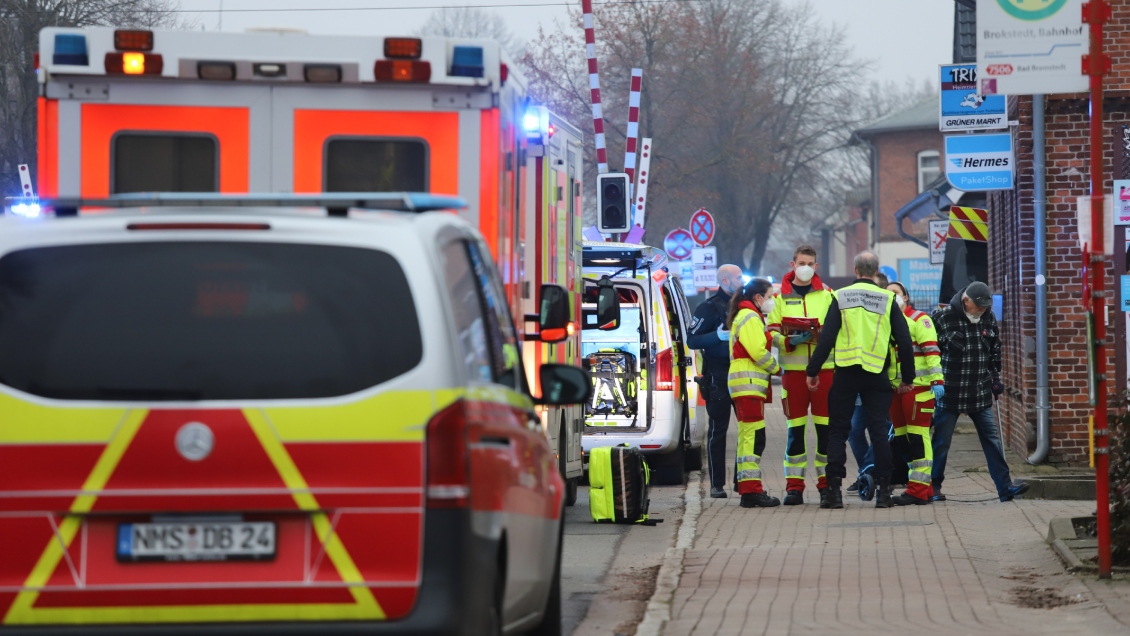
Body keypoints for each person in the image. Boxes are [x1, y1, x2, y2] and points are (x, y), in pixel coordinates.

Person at [805, 252, 915, 509]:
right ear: (876, 271)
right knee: (879, 431)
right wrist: (907, 377)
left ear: (855, 270)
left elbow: (827, 338)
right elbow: (904, 341)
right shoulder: (888, 299)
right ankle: (884, 493)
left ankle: (833, 493)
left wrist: (813, 370)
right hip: (877, 373)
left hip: (845, 373)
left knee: (838, 431)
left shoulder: (840, 297)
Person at [930, 282, 1030, 503]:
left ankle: (1005, 487)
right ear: (966, 301)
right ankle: (933, 486)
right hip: (950, 393)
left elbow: (994, 348)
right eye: (979, 306)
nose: (983, 310)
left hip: (979, 390)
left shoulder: (987, 317)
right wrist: (933, 381)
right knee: (941, 442)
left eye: (986, 306)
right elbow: (930, 353)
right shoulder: (942, 318)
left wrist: (995, 378)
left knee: (992, 439)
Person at [765, 245, 835, 506]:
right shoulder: (779, 297)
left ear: (816, 267)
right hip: (793, 373)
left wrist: (824, 335)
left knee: (825, 432)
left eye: (810, 263)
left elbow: (839, 328)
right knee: (795, 431)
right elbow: (770, 332)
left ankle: (827, 485)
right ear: (792, 265)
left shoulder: (828, 294)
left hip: (826, 371)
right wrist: (788, 341)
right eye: (801, 262)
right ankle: (794, 487)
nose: (805, 266)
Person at [688, 264, 745, 498]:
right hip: (718, 378)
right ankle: (717, 484)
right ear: (724, 281)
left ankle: (742, 480)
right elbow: (692, 339)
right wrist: (716, 336)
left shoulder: (746, 305)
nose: (742, 281)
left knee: (749, 430)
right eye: (738, 277)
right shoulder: (709, 308)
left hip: (743, 376)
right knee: (718, 432)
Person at [886, 282, 944, 505]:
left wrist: (937, 381)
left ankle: (917, 490)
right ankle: (924, 487)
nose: (892, 297)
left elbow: (932, 351)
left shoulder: (921, 320)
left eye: (896, 293)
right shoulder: (887, 323)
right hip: (896, 389)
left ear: (906, 297)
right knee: (903, 440)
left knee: (918, 438)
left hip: (920, 388)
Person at [726, 278, 782, 508]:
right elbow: (758, 351)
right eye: (769, 297)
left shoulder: (748, 315)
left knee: (749, 437)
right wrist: (779, 369)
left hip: (746, 384)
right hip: (748, 383)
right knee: (752, 438)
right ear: (758, 297)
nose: (770, 301)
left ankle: (746, 485)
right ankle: (751, 491)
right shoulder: (750, 317)